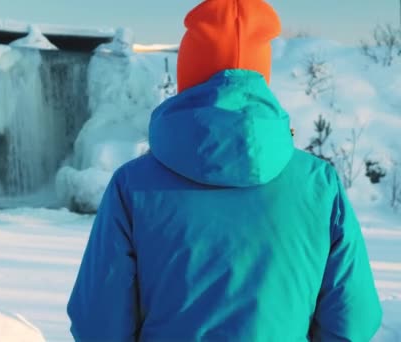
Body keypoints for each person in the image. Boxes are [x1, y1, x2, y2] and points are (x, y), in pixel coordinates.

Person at [67, 0, 383, 340]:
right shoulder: (320, 187)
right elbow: (354, 320)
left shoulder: (131, 187)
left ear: (187, 74)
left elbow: (98, 325)